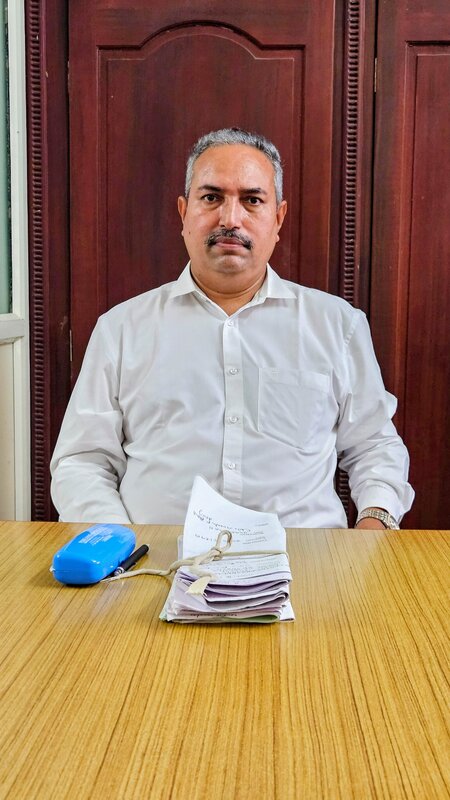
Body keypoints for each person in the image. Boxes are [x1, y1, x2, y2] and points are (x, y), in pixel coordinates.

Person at [50, 128, 414, 529]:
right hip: (157, 567)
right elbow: (83, 461)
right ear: (183, 213)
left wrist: (374, 525)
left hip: (308, 567)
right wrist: (116, 544)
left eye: (252, 200)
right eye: (211, 198)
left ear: (278, 219)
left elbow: (375, 448)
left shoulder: (337, 325)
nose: (230, 218)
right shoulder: (121, 329)